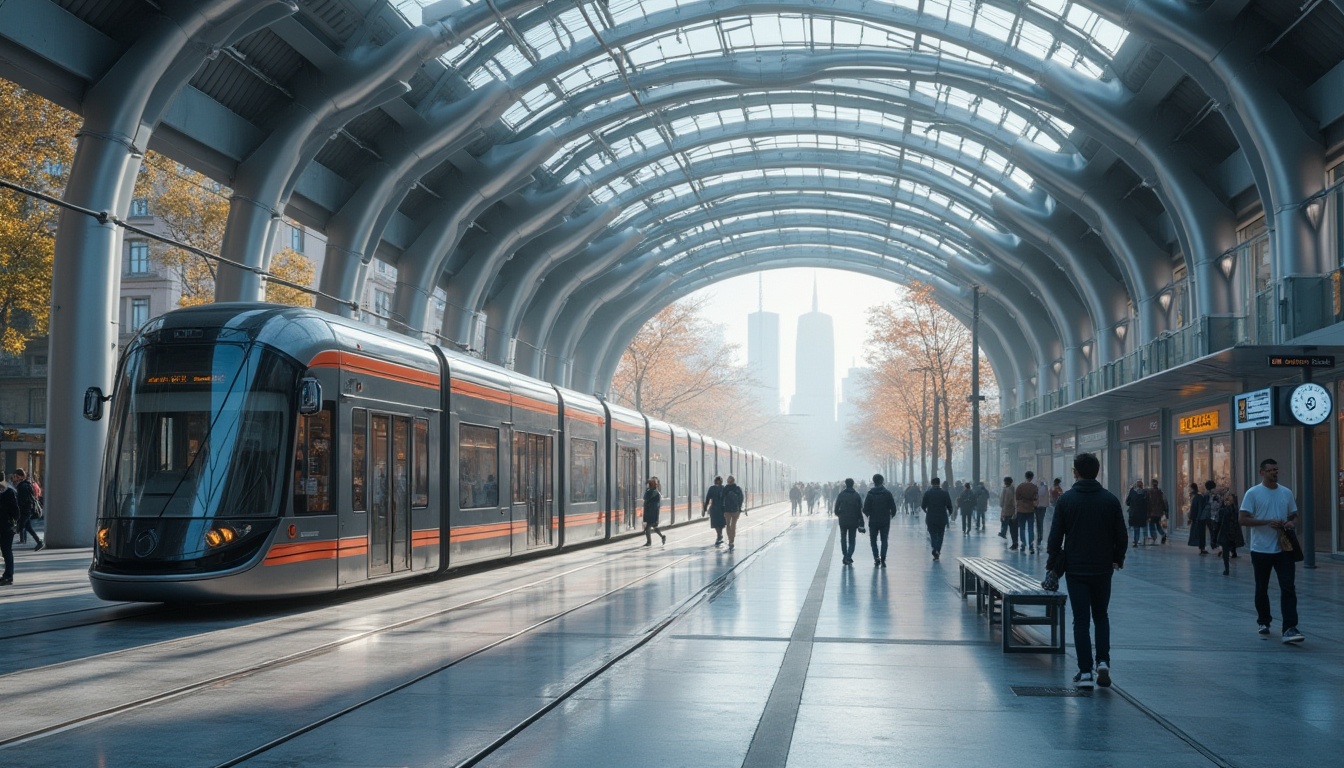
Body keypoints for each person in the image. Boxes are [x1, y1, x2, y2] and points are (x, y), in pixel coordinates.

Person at [1047, 452, 1128, 690]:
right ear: (1097, 471)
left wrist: (1053, 563)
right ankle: (1103, 662)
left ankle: (1085, 672)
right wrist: (1117, 558)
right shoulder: (1110, 500)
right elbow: (1121, 535)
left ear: (1075, 472)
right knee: (1101, 615)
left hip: (1076, 568)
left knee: (1081, 620)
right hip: (1103, 568)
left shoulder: (1066, 500)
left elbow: (1055, 537)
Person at [1239, 459, 1305, 643]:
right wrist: (1267, 521)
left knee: (1288, 587)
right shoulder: (1253, 493)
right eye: (1270, 470)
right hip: (1260, 549)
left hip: (1284, 548)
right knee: (1262, 587)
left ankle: (1290, 627)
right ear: (1262, 472)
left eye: (1276, 469)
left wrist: (1291, 522)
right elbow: (1242, 519)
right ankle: (1264, 620)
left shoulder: (1286, 493)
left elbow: (1294, 515)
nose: (1274, 473)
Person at [863, 473, 898, 567]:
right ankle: (883, 558)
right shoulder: (887, 493)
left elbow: (865, 508)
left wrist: (869, 515)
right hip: (885, 520)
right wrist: (891, 515)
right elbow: (893, 507)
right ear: (882, 481)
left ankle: (876, 557)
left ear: (873, 482)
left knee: (873, 540)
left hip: (873, 520)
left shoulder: (870, 494)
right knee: (884, 539)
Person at [833, 478, 864, 565]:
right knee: (852, 539)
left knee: (843, 538)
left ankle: (845, 555)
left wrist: (840, 514)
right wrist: (861, 521)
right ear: (853, 484)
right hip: (854, 520)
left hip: (843, 520)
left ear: (846, 484)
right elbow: (860, 509)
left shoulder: (841, 495)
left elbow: (836, 509)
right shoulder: (856, 495)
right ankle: (849, 556)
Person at [922, 477, 953, 560]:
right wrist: (949, 513)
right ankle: (938, 549)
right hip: (942, 517)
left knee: (932, 534)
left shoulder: (927, 493)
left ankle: (934, 547)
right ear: (939, 483)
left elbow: (923, 506)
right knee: (940, 534)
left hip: (931, 517)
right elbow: (949, 505)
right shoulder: (945, 493)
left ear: (932, 483)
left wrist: (926, 511)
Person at [12, 469, 42, 552]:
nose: (15, 478)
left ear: (20, 476)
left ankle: (39, 542)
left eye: (16, 476)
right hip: (26, 510)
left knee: (18, 528)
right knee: (27, 527)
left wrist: (20, 509)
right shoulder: (25, 485)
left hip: (25, 511)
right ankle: (39, 542)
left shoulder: (23, 486)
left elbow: (24, 500)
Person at [1216, 488, 1244, 575]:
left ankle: (1227, 568)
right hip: (1233, 531)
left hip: (1225, 531)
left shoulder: (1223, 510)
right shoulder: (1235, 509)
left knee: (1225, 551)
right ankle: (1233, 553)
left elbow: (1219, 521)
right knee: (1229, 547)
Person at [1015, 471, 1038, 553]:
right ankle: (1031, 544)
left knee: (1022, 527)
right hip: (1030, 509)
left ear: (1025, 476)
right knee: (1030, 527)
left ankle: (1023, 544)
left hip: (1021, 509)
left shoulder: (1020, 486)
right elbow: (1036, 498)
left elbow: (1017, 497)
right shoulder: (1034, 487)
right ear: (1032, 477)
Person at [1186, 481, 1212, 554]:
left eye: (1190, 489)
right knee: (1198, 533)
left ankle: (1202, 547)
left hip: (1199, 519)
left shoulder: (1198, 497)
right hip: (1196, 518)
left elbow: (1199, 508)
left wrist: (1197, 518)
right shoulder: (1194, 497)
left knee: (1201, 533)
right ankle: (1201, 547)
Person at [722, 475, 746, 551]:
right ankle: (732, 541)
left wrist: (723, 510)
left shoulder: (725, 489)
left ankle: (730, 539)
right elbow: (741, 499)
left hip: (727, 510)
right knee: (733, 525)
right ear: (734, 481)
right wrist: (739, 509)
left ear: (728, 482)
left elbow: (722, 499)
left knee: (728, 525)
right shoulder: (737, 489)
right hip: (735, 510)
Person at [0, 479, 17, 585]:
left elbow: (16, 511)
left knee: (6, 551)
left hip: (7, 528)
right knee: (5, 551)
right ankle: (6, 575)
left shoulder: (9, 493)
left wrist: (12, 522)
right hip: (5, 527)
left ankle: (8, 575)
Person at [642, 477, 666, 547]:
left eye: (649, 484)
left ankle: (649, 542)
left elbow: (645, 498)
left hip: (650, 513)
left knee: (648, 528)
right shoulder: (656, 492)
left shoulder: (652, 492)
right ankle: (662, 536)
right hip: (652, 513)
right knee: (654, 527)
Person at [703, 476, 726, 546]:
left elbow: (707, 499)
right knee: (720, 523)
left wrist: (705, 508)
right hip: (721, 509)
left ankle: (719, 535)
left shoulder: (712, 488)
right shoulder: (724, 488)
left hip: (715, 508)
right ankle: (719, 535)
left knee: (716, 523)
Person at [1125, 479, 1148, 546]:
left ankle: (1136, 541)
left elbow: (1127, 502)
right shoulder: (1145, 493)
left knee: (1136, 528)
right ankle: (1144, 539)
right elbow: (1147, 503)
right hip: (1142, 513)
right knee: (1143, 527)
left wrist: (1132, 505)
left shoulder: (1132, 492)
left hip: (1134, 512)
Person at [1147, 478, 1168, 544]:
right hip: (1159, 512)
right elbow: (1164, 502)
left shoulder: (1150, 492)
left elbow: (1149, 503)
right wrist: (1164, 510)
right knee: (1158, 524)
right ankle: (1163, 534)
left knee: (1151, 525)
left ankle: (1154, 537)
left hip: (1152, 512)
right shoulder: (1160, 492)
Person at [999, 477, 1016, 545]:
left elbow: (1003, 500)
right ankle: (1005, 534)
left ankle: (1003, 533)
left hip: (1006, 509)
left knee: (1004, 521)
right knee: (1009, 523)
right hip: (1011, 509)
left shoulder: (1005, 489)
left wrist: (1002, 506)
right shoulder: (1013, 489)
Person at [1034, 474, 1049, 548]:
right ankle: (1041, 535)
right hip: (1043, 507)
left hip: (1037, 506)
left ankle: (1039, 534)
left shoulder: (1037, 489)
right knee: (1041, 521)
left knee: (1038, 521)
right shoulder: (1046, 489)